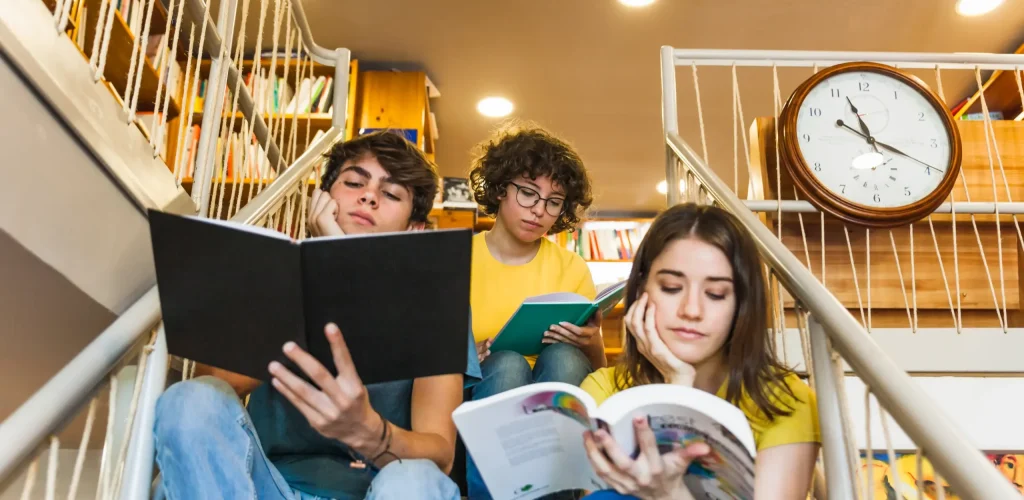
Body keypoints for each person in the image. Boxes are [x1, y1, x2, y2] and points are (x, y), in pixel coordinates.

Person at [153, 131, 480, 500]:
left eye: (390, 194)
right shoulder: (275, 274)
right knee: (189, 399)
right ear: (321, 199)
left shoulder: (433, 299)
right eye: (354, 182)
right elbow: (215, 392)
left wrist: (368, 432)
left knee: (416, 481)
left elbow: (441, 455)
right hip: (269, 487)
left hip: (381, 489)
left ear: (414, 228)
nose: (368, 195)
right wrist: (326, 276)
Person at [578, 203, 821, 500]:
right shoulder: (604, 390)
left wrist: (670, 495)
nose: (691, 310)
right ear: (642, 292)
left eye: (715, 294)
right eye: (671, 287)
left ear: (740, 305)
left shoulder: (785, 400)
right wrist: (677, 383)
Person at [465, 123, 604, 499]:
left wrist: (588, 340)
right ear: (499, 188)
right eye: (528, 193)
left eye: (553, 202)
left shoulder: (571, 267)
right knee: (508, 363)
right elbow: (429, 357)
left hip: (555, 391)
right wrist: (466, 353)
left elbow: (597, 367)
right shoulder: (458, 260)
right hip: (480, 394)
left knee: (563, 355)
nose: (539, 211)